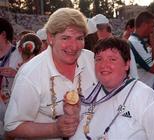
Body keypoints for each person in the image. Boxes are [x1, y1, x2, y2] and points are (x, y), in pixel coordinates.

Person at [4, 8, 97, 139]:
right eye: (65, 38)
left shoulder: (91, 60)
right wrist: (55, 129)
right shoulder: (30, 75)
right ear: (50, 38)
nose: (74, 46)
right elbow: (11, 127)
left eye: (79, 38)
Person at [71, 37, 154, 140]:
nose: (104, 65)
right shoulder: (87, 96)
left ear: (127, 64)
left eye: (112, 59)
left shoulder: (145, 97)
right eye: (99, 59)